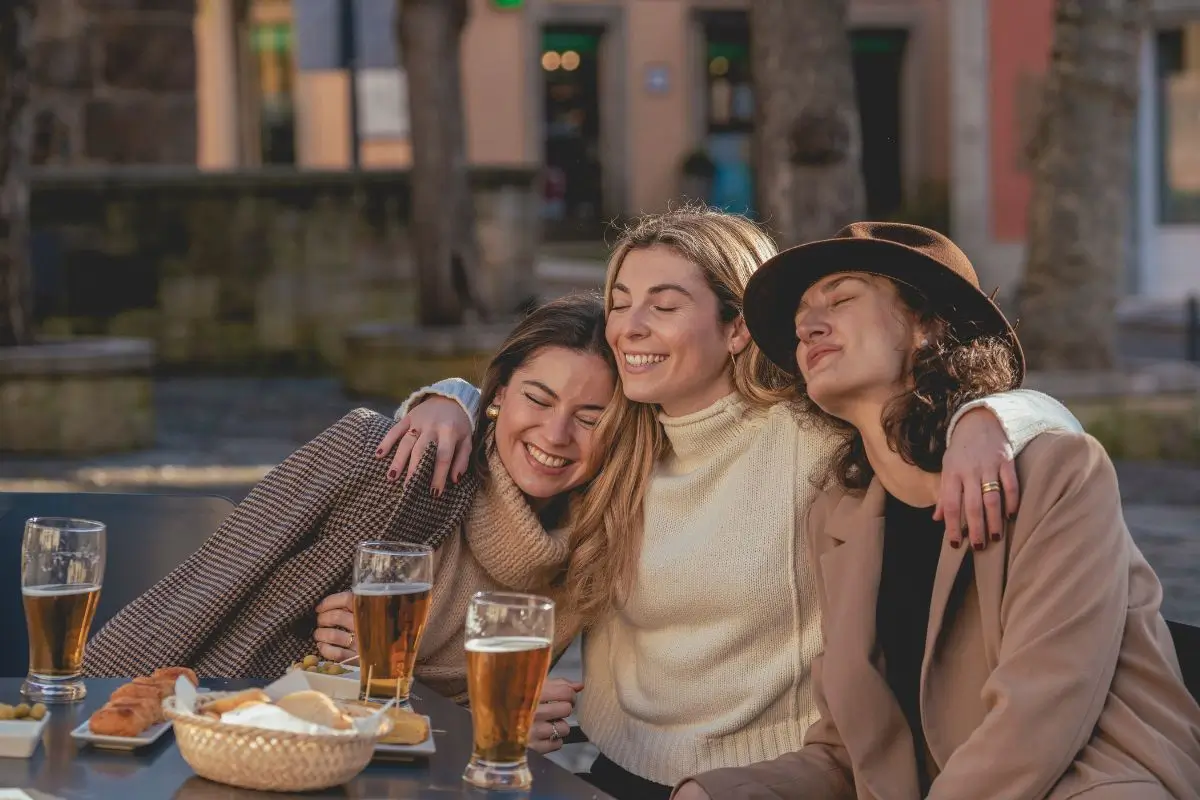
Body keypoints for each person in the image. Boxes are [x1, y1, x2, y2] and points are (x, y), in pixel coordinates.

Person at [376, 208, 1084, 798]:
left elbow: (975, 410)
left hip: (766, 782)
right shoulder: (617, 437)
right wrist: (456, 402)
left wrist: (992, 419)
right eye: (620, 302)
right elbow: (530, 413)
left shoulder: (814, 435)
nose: (630, 326)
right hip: (611, 773)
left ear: (738, 327)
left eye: (665, 304)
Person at [673, 222, 1200, 799]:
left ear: (928, 326)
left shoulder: (1056, 472)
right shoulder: (839, 517)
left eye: (842, 298)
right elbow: (849, 755)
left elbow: (1042, 711)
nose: (808, 325)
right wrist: (717, 792)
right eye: (802, 320)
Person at [83, 293, 616, 756]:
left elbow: (465, 719)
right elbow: (209, 595)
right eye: (537, 399)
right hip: (243, 736)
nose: (556, 433)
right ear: (499, 393)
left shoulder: (590, 551)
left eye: (590, 418)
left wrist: (491, 721)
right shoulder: (399, 472)